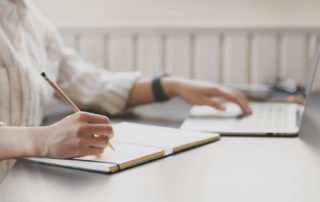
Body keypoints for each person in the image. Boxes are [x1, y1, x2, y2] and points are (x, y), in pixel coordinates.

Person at [0, 0, 251, 181]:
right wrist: (42, 140)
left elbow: (88, 84)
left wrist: (169, 85)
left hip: (24, 184)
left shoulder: (32, 19)